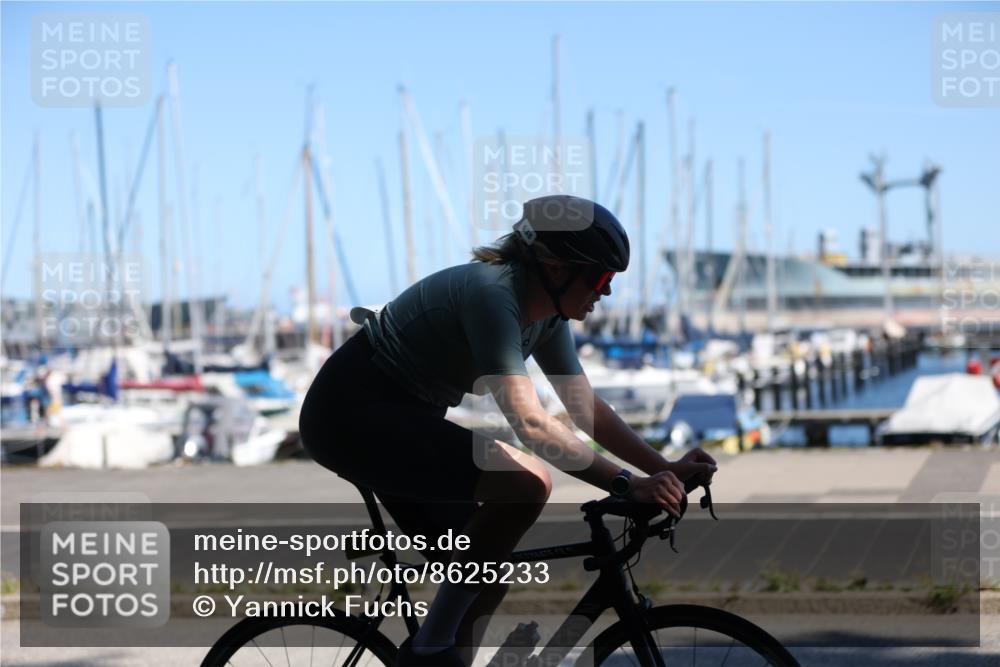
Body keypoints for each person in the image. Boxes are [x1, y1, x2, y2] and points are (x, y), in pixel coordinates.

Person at [298, 194, 716, 666]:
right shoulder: (493, 296)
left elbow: (585, 409)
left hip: (404, 418)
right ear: (556, 267)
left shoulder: (547, 315)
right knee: (525, 482)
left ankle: (442, 657)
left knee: (486, 572)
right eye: (600, 278)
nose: (607, 292)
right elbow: (533, 425)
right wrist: (628, 483)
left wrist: (666, 470)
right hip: (352, 413)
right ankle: (430, 649)